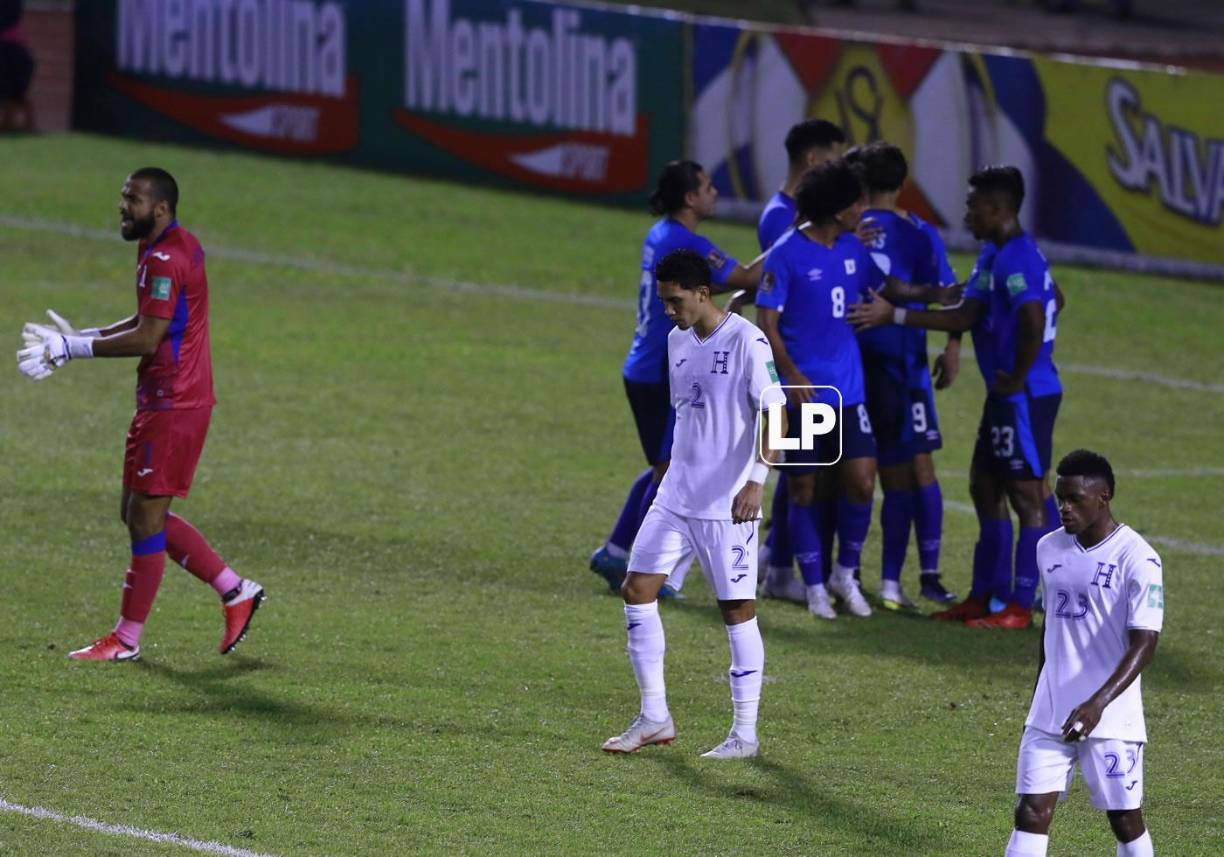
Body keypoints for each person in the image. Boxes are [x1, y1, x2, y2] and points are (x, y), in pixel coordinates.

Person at [17, 167, 264, 661]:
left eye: (133, 199)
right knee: (136, 512)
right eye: (123, 197)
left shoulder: (167, 258)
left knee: (146, 516)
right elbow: (146, 319)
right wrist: (81, 338)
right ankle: (235, 590)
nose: (122, 207)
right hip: (162, 398)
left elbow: (149, 338)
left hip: (176, 402)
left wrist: (75, 348)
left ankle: (126, 639)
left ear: (161, 208)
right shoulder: (165, 246)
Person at [848, 165, 1064, 629]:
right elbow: (975, 312)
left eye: (973, 206)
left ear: (999, 209)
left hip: (1025, 395)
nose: (966, 214)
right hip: (1006, 395)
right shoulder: (997, 253)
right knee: (984, 486)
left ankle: (1020, 606)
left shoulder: (1015, 258)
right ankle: (986, 595)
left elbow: (1032, 316)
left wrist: (1019, 372)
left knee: (1027, 495)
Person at [601, 248, 785, 760]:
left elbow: (777, 414)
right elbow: (688, 415)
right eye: (664, 301)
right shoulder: (676, 341)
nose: (668, 310)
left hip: (728, 505)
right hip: (676, 497)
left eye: (675, 301)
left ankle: (744, 734)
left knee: (737, 612)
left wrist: (756, 481)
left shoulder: (747, 340)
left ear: (703, 294)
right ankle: (654, 716)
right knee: (637, 589)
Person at [756, 160, 957, 620]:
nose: (864, 210)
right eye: (857, 203)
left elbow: (890, 287)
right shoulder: (787, 253)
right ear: (836, 209)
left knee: (863, 481)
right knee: (803, 486)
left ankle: (843, 575)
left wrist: (935, 295)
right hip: (805, 395)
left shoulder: (852, 247)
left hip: (849, 393)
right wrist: (792, 375)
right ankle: (813, 588)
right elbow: (766, 324)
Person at [590, 161, 761, 595]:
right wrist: (792, 242)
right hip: (663, 371)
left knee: (665, 466)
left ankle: (615, 552)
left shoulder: (661, 234)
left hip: (642, 365)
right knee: (671, 471)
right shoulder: (687, 242)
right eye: (707, 187)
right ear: (690, 198)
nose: (714, 193)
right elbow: (747, 276)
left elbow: (701, 288)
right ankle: (641, 566)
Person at [1004, 450, 1160, 857]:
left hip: (1110, 716)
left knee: (1124, 820)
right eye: (1060, 498)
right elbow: (1051, 628)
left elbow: (1145, 643)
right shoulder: (1048, 548)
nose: (1064, 508)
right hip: (1050, 711)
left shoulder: (1138, 558)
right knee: (1030, 812)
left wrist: (1096, 705)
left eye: (1075, 499)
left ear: (1103, 497)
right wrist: (1040, 697)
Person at [843, 142, 957, 610]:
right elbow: (948, 293)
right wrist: (953, 345)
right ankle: (903, 579)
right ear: (904, 182)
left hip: (843, 366)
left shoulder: (841, 229)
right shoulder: (920, 231)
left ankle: (812, 569)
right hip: (901, 367)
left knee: (824, 470)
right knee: (908, 470)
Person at [756, 118, 847, 605]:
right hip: (798, 369)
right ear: (813, 159)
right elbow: (775, 292)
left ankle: (775, 556)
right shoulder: (783, 220)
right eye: (834, 157)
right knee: (796, 471)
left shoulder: (798, 215)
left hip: (816, 369)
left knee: (802, 469)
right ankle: (774, 562)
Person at [0, 0, 35, 132]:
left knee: (13, 93)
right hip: (14, 52)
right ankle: (9, 123)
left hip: (12, 53)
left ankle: (14, 123)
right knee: (12, 93)